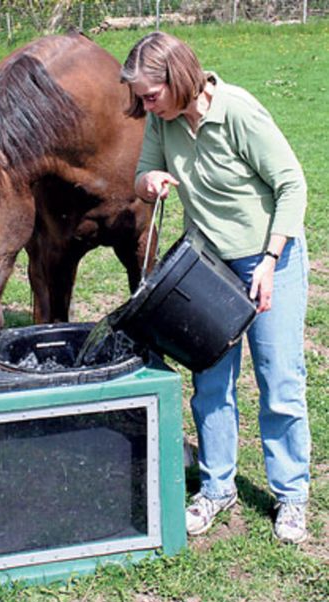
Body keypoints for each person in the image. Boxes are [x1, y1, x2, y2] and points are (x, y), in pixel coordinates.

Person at [121, 32, 310, 544]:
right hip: (205, 266)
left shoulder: (239, 112)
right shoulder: (162, 121)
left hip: (269, 259)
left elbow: (293, 184)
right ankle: (216, 487)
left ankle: (291, 497)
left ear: (178, 78)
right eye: (139, 97)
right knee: (211, 384)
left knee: (279, 382)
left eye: (150, 94)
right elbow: (140, 176)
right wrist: (151, 182)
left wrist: (270, 261)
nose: (144, 105)